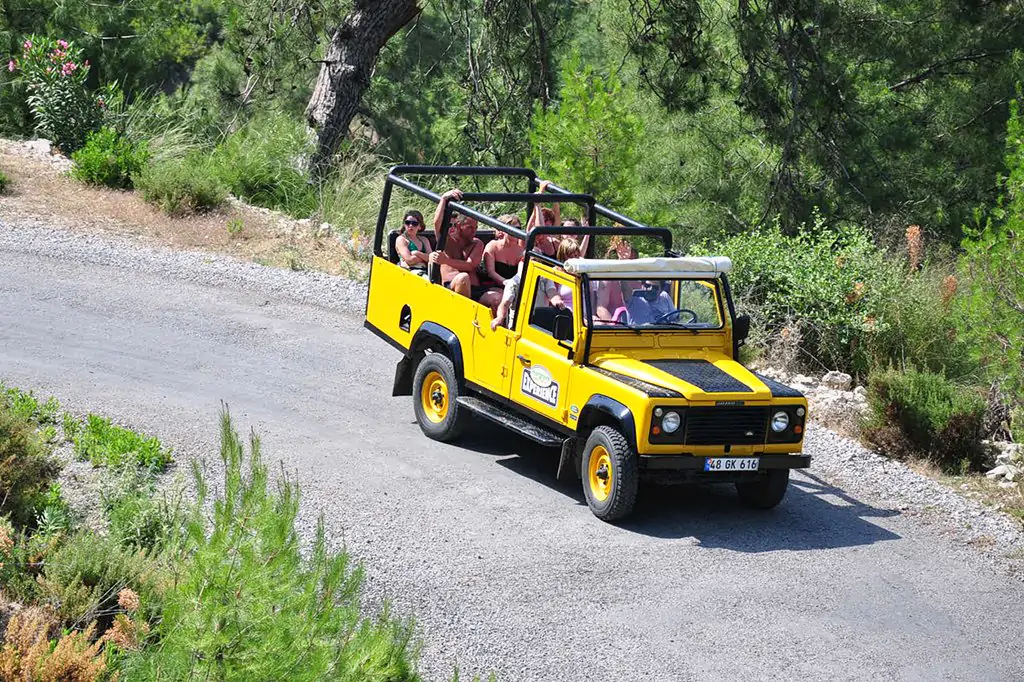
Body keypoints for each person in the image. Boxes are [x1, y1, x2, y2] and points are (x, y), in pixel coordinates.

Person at [431, 188, 484, 299]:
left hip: (475, 289)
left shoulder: (477, 243)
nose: (474, 231)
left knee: (496, 298)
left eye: (476, 227)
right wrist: (444, 199)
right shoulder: (448, 241)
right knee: (463, 278)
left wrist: (445, 260)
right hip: (452, 286)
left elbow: (470, 265)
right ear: (459, 226)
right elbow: (437, 224)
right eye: (470, 227)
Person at [479, 214, 525, 313]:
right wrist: (506, 283)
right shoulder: (493, 246)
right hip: (489, 286)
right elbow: (491, 272)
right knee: (499, 298)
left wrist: (511, 286)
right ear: (503, 230)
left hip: (511, 288)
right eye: (512, 229)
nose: (516, 232)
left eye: (518, 228)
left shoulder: (520, 251)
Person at [395, 209, 431, 276]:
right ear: (404, 224)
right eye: (408, 223)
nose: (410, 226)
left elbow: (431, 259)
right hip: (409, 272)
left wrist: (416, 253)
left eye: (414, 223)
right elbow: (409, 260)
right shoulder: (402, 240)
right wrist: (424, 258)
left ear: (420, 226)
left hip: (426, 271)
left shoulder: (424, 240)